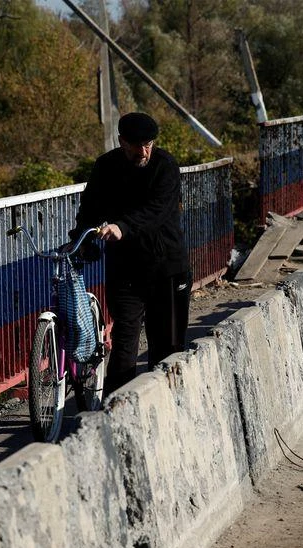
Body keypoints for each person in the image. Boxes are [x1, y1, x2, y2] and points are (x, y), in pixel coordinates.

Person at [73, 112, 191, 394]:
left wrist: (122, 227)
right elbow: (90, 208)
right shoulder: (106, 167)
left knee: (167, 345)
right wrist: (81, 238)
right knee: (125, 338)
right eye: (136, 145)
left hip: (167, 269)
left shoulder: (165, 166)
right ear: (121, 141)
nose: (143, 151)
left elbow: (157, 211)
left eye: (148, 144)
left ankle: (168, 403)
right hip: (125, 269)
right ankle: (116, 407)